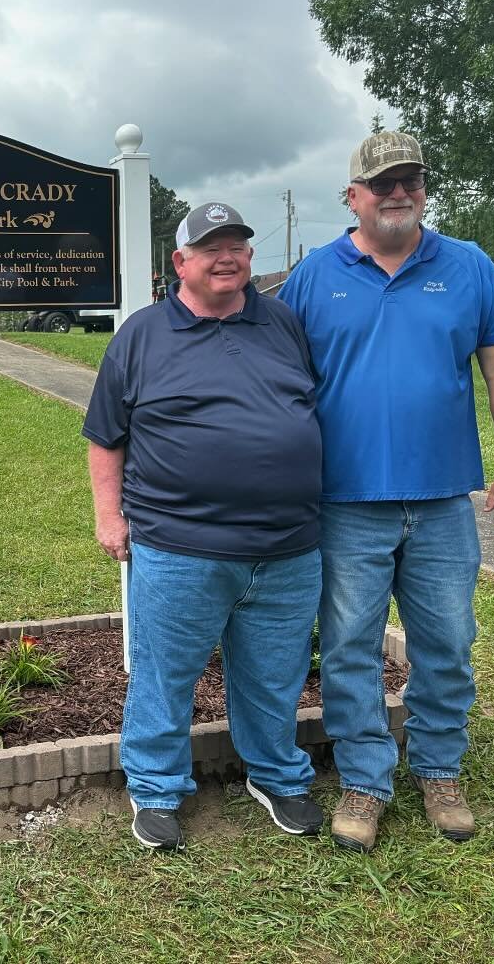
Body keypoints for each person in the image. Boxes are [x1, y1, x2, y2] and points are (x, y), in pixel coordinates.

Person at [278, 131, 494, 852]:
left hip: (440, 503)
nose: (398, 193)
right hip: (344, 504)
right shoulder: (312, 277)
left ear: (423, 188)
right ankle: (365, 779)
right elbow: (274, 378)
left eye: (411, 180)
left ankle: (439, 768)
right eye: (381, 182)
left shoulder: (467, 266)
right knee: (351, 644)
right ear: (353, 195)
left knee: (448, 642)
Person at [83, 202, 325, 850]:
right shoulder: (141, 335)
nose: (228, 257)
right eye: (211, 247)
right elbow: (106, 437)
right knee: (165, 676)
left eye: (238, 246)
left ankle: (274, 775)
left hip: (288, 549)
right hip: (179, 547)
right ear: (180, 261)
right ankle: (157, 790)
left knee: (275, 677)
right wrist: (109, 518)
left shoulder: (283, 324)